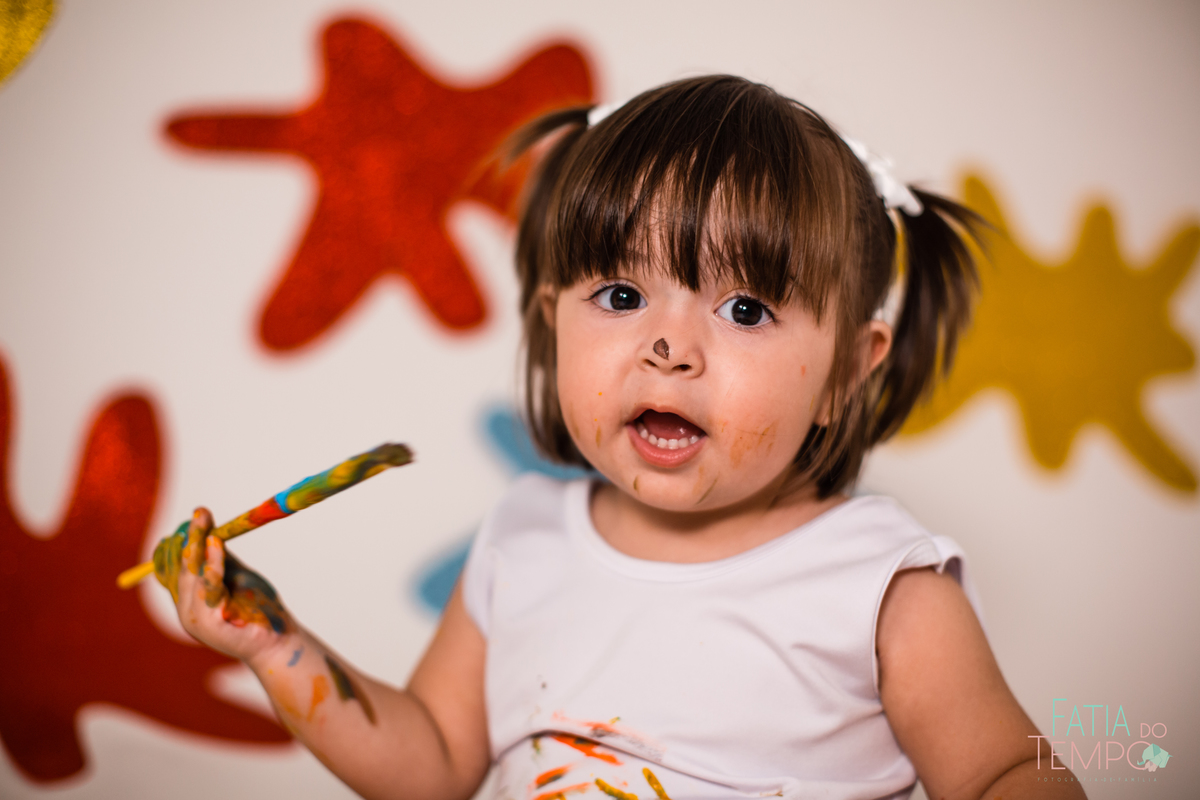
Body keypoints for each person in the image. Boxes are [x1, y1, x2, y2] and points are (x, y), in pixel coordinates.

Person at [157, 76, 1085, 800]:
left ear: (848, 369)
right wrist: (275, 643)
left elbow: (1001, 774)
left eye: (746, 307)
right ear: (555, 315)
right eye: (622, 296)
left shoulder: (881, 586)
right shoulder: (522, 542)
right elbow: (432, 764)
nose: (669, 346)